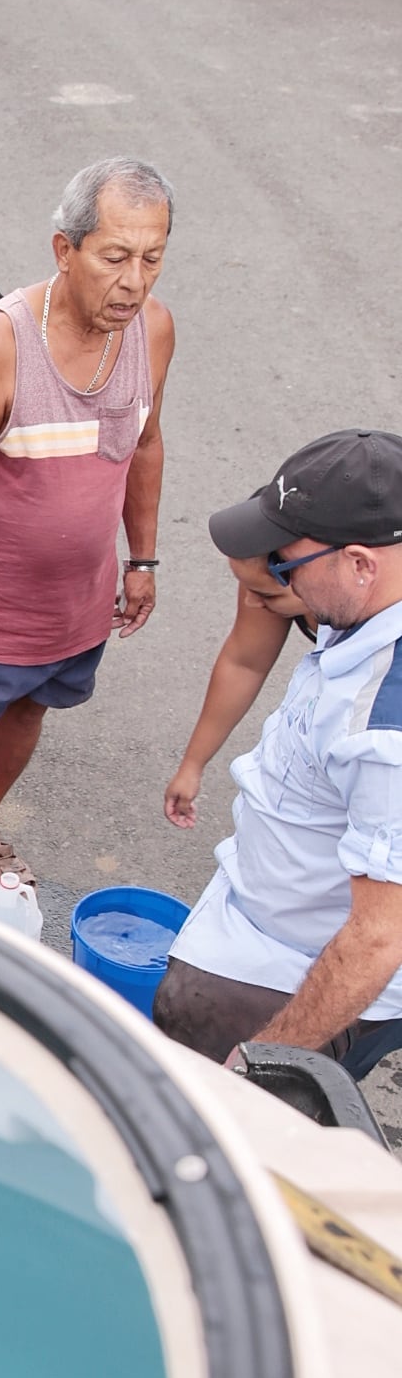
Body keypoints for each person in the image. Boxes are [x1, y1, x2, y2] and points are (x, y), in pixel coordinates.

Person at [0, 156, 177, 896]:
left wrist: (143, 560)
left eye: (152, 258)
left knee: (29, 711)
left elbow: (146, 442)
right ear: (66, 251)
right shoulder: (1, 343)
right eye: (116, 257)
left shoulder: (153, 330)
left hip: (76, 604)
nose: (135, 281)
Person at [154, 430, 402, 1080]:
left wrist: (268, 1060)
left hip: (301, 969)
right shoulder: (361, 612)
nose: (272, 585)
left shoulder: (385, 731)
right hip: (272, 919)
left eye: (286, 570)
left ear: (360, 565)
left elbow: (377, 938)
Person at [163, 557, 313, 832]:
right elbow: (245, 663)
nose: (251, 602)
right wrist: (192, 765)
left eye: (268, 594)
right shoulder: (279, 564)